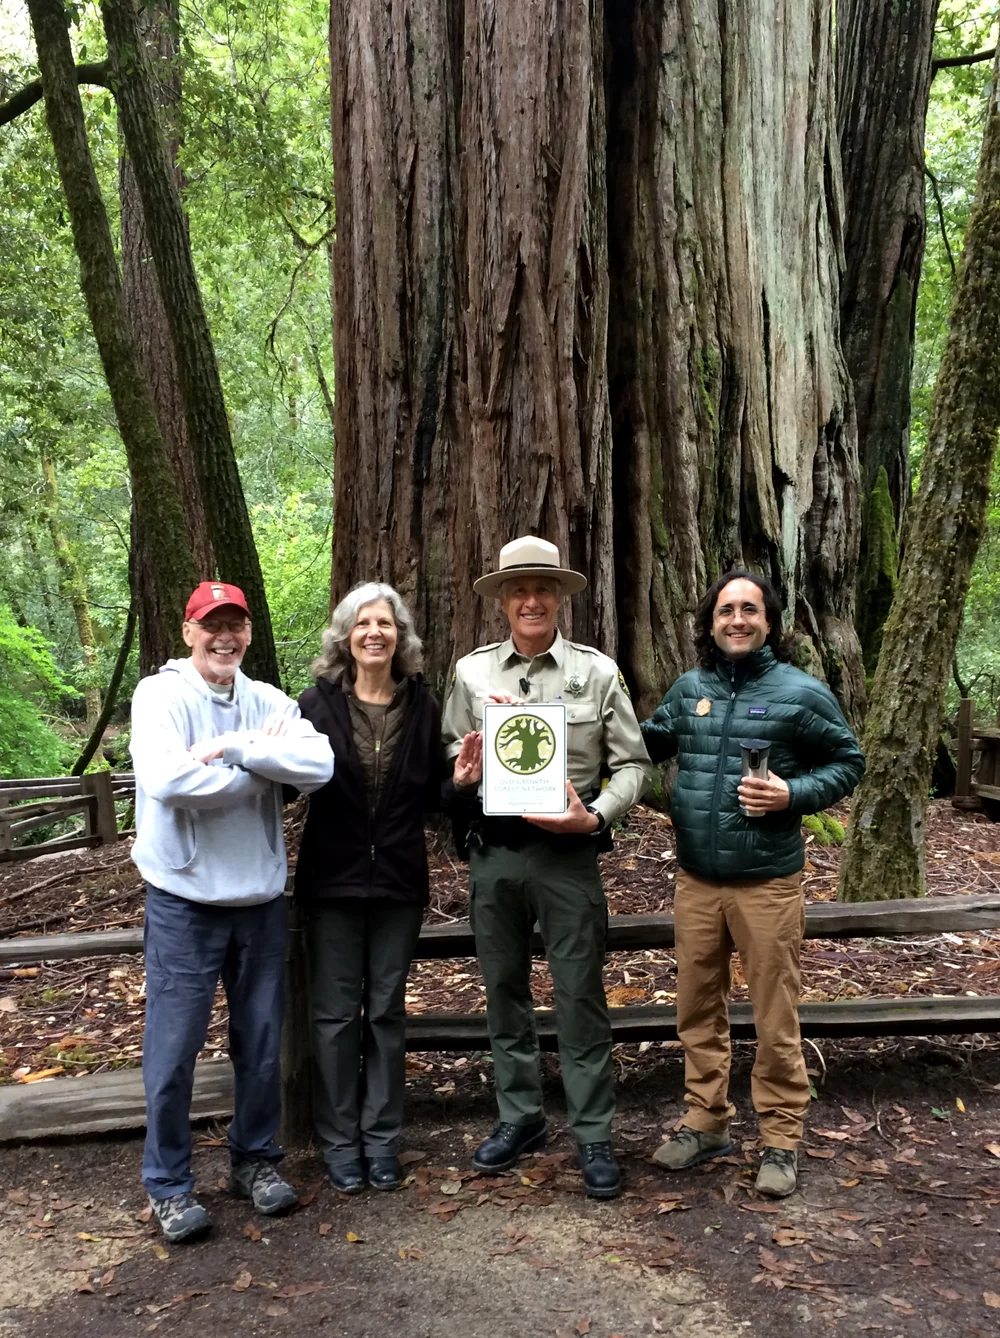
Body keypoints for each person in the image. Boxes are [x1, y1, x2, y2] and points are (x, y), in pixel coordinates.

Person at [641, 571, 864, 1198]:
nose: (736, 619)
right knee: (697, 1008)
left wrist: (793, 793)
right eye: (725, 610)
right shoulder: (689, 691)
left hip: (766, 882)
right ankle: (706, 1120)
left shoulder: (800, 692)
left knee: (774, 1013)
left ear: (769, 621)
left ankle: (781, 1139)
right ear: (710, 622)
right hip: (696, 880)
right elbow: (642, 743)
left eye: (749, 609)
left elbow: (849, 760)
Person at [442, 536, 653, 1199]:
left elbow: (634, 763)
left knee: (578, 998)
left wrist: (597, 817)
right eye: (517, 590)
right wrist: (463, 766)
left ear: (560, 597)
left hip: (567, 855)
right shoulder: (471, 674)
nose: (531, 600)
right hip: (495, 855)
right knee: (504, 992)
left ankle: (593, 1132)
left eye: (543, 589)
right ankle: (521, 1118)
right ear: (502, 600)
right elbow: (453, 748)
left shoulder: (596, 672)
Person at [129, 581, 334, 1242]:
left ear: (247, 633)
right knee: (174, 1048)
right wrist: (265, 773)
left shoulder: (268, 700)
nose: (225, 637)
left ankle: (256, 1161)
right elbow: (168, 781)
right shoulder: (160, 696)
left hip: (260, 902)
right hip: (183, 902)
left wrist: (239, 749)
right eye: (211, 624)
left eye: (235, 625)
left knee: (262, 1043)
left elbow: (321, 763)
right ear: (188, 630)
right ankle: (168, 1183)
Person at [294, 583, 444, 1195]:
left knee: (384, 1012)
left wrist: (461, 781)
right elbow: (287, 781)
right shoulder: (314, 706)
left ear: (400, 637)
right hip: (331, 881)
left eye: (385, 623)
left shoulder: (423, 706)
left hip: (399, 884)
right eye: (362, 624)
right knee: (332, 1017)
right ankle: (338, 1142)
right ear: (345, 637)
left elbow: (435, 796)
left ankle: (381, 1140)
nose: (374, 632)